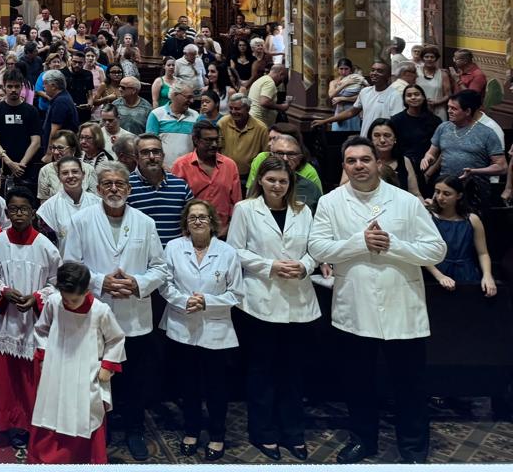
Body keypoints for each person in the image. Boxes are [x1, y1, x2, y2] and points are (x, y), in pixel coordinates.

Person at [309, 135, 447, 463]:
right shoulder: (330, 202)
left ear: (378, 163)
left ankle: (413, 448)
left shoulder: (406, 202)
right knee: (358, 383)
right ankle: (363, 441)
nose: (359, 165)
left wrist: (393, 244)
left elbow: (437, 250)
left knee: (410, 386)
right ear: (344, 166)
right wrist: (360, 242)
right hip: (355, 307)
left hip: (402, 307)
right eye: (352, 161)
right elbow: (317, 248)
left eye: (365, 159)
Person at [60, 161, 167, 461]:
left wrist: (137, 283)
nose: (114, 188)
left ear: (129, 189)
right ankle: (99, 432)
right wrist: (100, 281)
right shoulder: (82, 221)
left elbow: (160, 268)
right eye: (107, 183)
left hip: (135, 316)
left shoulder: (145, 222)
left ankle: (135, 430)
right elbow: (70, 266)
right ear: (98, 188)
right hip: (96, 314)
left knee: (134, 379)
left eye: (120, 183)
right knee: (97, 378)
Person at [226, 155, 321, 461]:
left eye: (283, 181)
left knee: (293, 372)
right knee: (262, 371)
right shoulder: (245, 209)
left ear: (290, 182)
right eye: (271, 180)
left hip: (298, 299)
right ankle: (263, 432)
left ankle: (293, 432)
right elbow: (235, 250)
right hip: (260, 301)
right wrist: (269, 265)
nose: (277, 186)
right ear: (260, 181)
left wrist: (305, 265)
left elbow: (314, 250)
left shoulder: (302, 210)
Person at [160, 198, 244, 460]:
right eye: (192, 217)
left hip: (215, 329)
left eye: (203, 217)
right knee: (188, 385)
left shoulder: (227, 252)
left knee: (217, 387)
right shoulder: (173, 247)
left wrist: (207, 301)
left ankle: (217, 435)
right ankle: (191, 431)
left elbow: (237, 294)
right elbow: (165, 284)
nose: (197, 221)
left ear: (212, 222)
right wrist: (185, 300)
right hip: (182, 325)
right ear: (186, 222)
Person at [26, 260, 125, 465]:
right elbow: (42, 329)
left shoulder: (100, 310)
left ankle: (84, 460)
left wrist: (107, 365)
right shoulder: (54, 302)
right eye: (65, 298)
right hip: (57, 367)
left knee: (85, 413)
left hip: (86, 372)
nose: (68, 303)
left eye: (74, 299)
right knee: (51, 410)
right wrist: (44, 354)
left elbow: (116, 339)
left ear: (86, 290)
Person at [0, 187, 59, 457]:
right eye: (13, 210)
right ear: (6, 213)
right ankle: (8, 422)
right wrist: (3, 290)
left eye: (24, 209)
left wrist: (38, 297)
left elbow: (56, 284)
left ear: (33, 212)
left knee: (31, 378)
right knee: (8, 378)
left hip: (33, 323)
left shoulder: (46, 247)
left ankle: (30, 423)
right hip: (7, 320)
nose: (18, 214)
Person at [422, 90, 506, 203]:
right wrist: (428, 158)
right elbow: (431, 152)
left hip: (474, 192)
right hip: (445, 188)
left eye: (454, 109)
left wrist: (475, 171)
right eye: (448, 107)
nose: (449, 111)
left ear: (467, 111)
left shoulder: (487, 133)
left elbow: (502, 167)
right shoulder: (443, 127)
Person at [427, 174, 497, 296]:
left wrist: (487, 276)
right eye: (437, 192)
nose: (440, 197)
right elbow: (423, 254)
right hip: (437, 272)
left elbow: (483, 253)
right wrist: (440, 276)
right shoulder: (429, 218)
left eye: (446, 194)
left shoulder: (472, 219)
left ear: (459, 196)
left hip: (466, 272)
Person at [171, 121, 242, 231]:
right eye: (208, 140)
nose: (214, 145)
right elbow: (175, 204)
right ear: (196, 140)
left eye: (216, 140)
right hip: (191, 231)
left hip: (223, 232)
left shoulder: (229, 165)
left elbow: (236, 203)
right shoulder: (181, 165)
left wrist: (228, 228)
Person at [127, 134, 193, 245]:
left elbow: (190, 224)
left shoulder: (181, 187)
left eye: (156, 152)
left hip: (174, 257)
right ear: (136, 157)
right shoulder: (126, 186)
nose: (152, 157)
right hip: (140, 257)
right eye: (145, 153)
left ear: (163, 155)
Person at [314, 60, 404, 136]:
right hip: (366, 139)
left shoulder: (394, 95)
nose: (374, 73)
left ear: (388, 76)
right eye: (373, 70)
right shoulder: (365, 92)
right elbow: (351, 112)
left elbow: (398, 122)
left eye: (379, 71)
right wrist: (324, 121)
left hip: (383, 141)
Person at [0, 73, 42, 187]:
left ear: (21, 87)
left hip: (25, 165)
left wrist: (21, 164)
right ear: (4, 87)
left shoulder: (31, 111)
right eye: (10, 86)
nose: (13, 90)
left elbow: (36, 141)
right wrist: (9, 162)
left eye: (16, 86)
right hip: (2, 163)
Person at [37, 157, 100, 244]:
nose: (70, 176)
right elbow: (48, 244)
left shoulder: (98, 203)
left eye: (75, 171)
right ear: (59, 177)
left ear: (83, 175)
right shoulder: (48, 208)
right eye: (65, 173)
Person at [216, 93, 270, 179]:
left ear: (248, 109)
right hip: (225, 172)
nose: (233, 112)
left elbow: (266, 154)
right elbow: (217, 149)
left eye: (237, 109)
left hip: (249, 176)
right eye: (231, 108)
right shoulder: (222, 123)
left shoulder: (261, 128)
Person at [146, 84, 199, 167]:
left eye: (192, 97)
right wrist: (161, 165)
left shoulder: (195, 116)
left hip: (188, 169)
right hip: (163, 168)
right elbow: (150, 144)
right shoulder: (156, 114)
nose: (192, 101)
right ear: (175, 95)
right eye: (188, 97)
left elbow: (198, 145)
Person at [39, 69, 79, 153]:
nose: (43, 87)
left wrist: (49, 153)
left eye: (45, 84)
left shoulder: (60, 102)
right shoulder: (62, 97)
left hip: (59, 151)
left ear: (53, 86)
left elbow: (54, 131)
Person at [247, 62, 290, 128]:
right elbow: (264, 102)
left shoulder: (262, 79)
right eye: (283, 78)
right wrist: (282, 107)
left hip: (255, 120)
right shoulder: (270, 82)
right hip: (259, 123)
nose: (281, 82)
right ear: (281, 74)